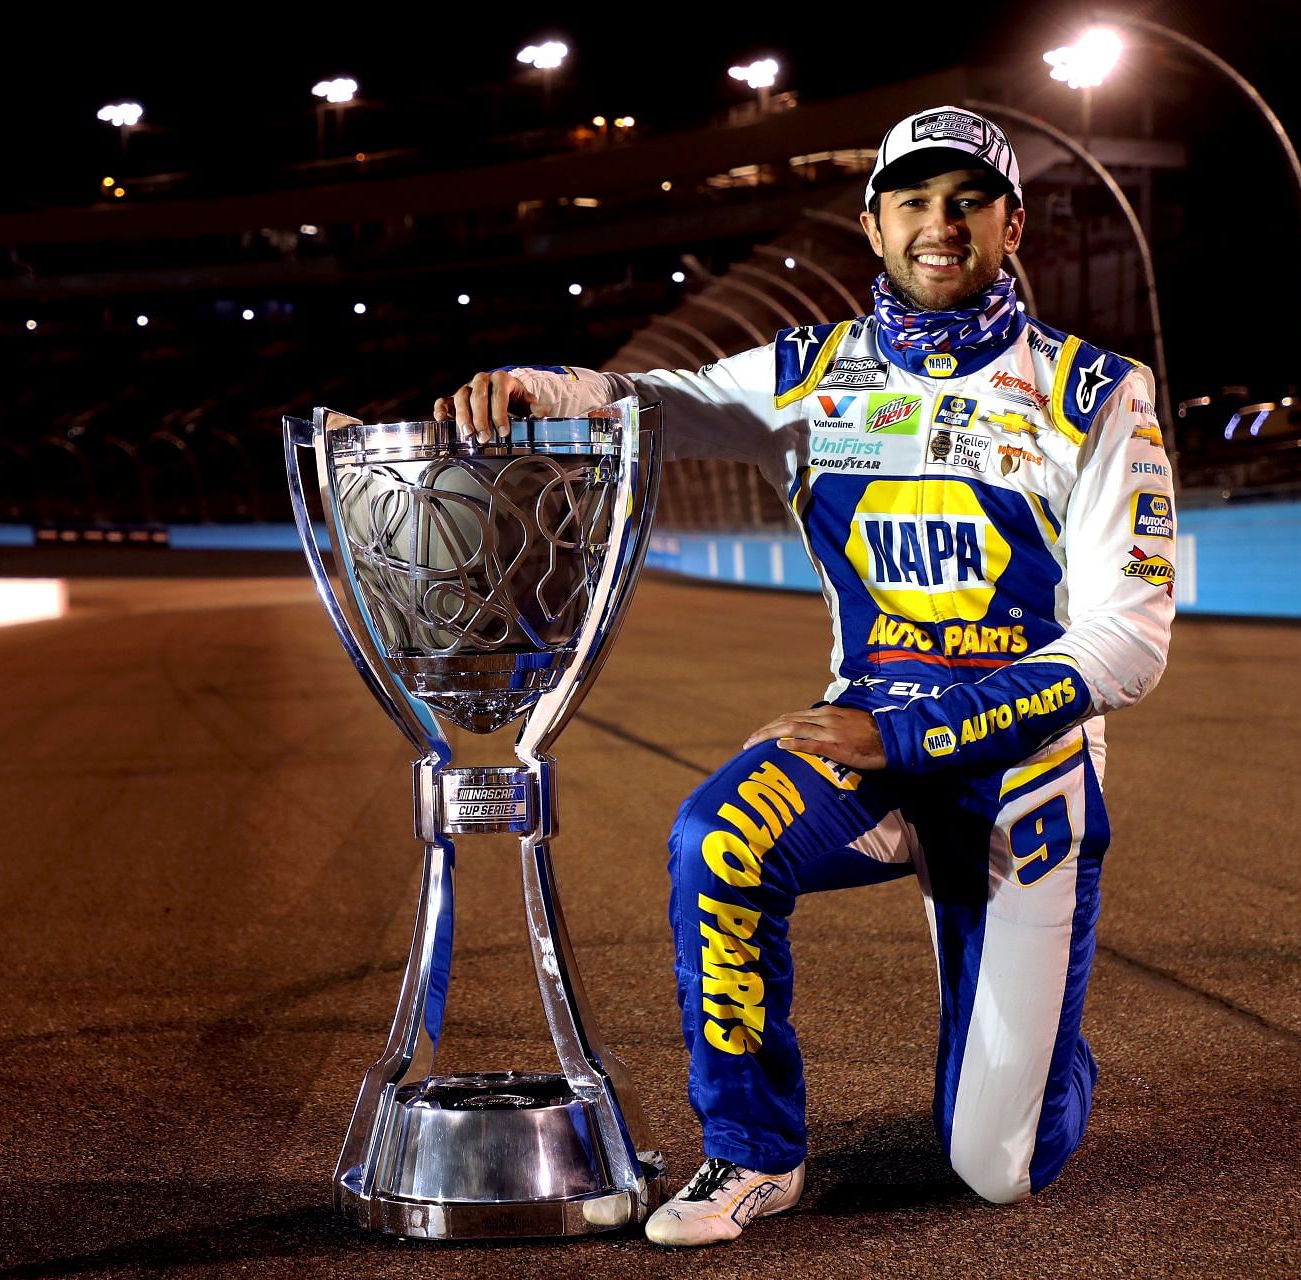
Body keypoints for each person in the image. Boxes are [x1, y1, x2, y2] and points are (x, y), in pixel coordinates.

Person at [434, 105, 1174, 1247]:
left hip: (1024, 770)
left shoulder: (1098, 392)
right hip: (863, 734)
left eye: (968, 200)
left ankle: (1041, 1041)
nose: (941, 223)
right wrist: (545, 384)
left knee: (996, 1167)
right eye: (914, 201)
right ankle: (752, 1150)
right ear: (874, 225)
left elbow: (1127, 641)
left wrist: (921, 738)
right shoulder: (812, 373)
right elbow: (655, 404)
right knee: (714, 840)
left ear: (1011, 222)